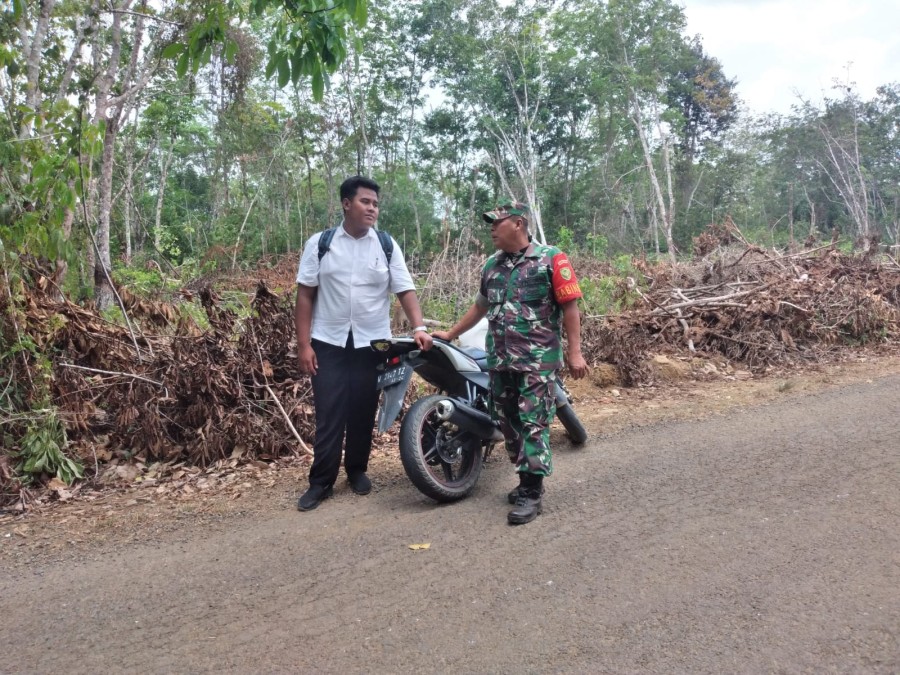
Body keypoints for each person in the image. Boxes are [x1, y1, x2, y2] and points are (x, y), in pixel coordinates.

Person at [432, 200, 588, 525]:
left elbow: (570, 307)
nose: (491, 228)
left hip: (537, 361)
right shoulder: (492, 265)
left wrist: (575, 353)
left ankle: (532, 490)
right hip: (500, 361)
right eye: (489, 222)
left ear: (518, 224)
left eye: (496, 222)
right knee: (506, 421)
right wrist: (450, 333)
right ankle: (526, 478)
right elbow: (480, 308)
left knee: (533, 422)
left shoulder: (551, 258)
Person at [294, 176, 433, 511]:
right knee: (329, 412)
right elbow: (305, 295)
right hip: (327, 341)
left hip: (373, 344)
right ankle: (321, 482)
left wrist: (420, 326)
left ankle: (356, 470)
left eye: (375, 204)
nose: (372, 208)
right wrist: (303, 345)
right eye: (365, 202)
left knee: (363, 408)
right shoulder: (321, 244)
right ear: (346, 203)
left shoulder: (385, 245)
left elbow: (404, 289)